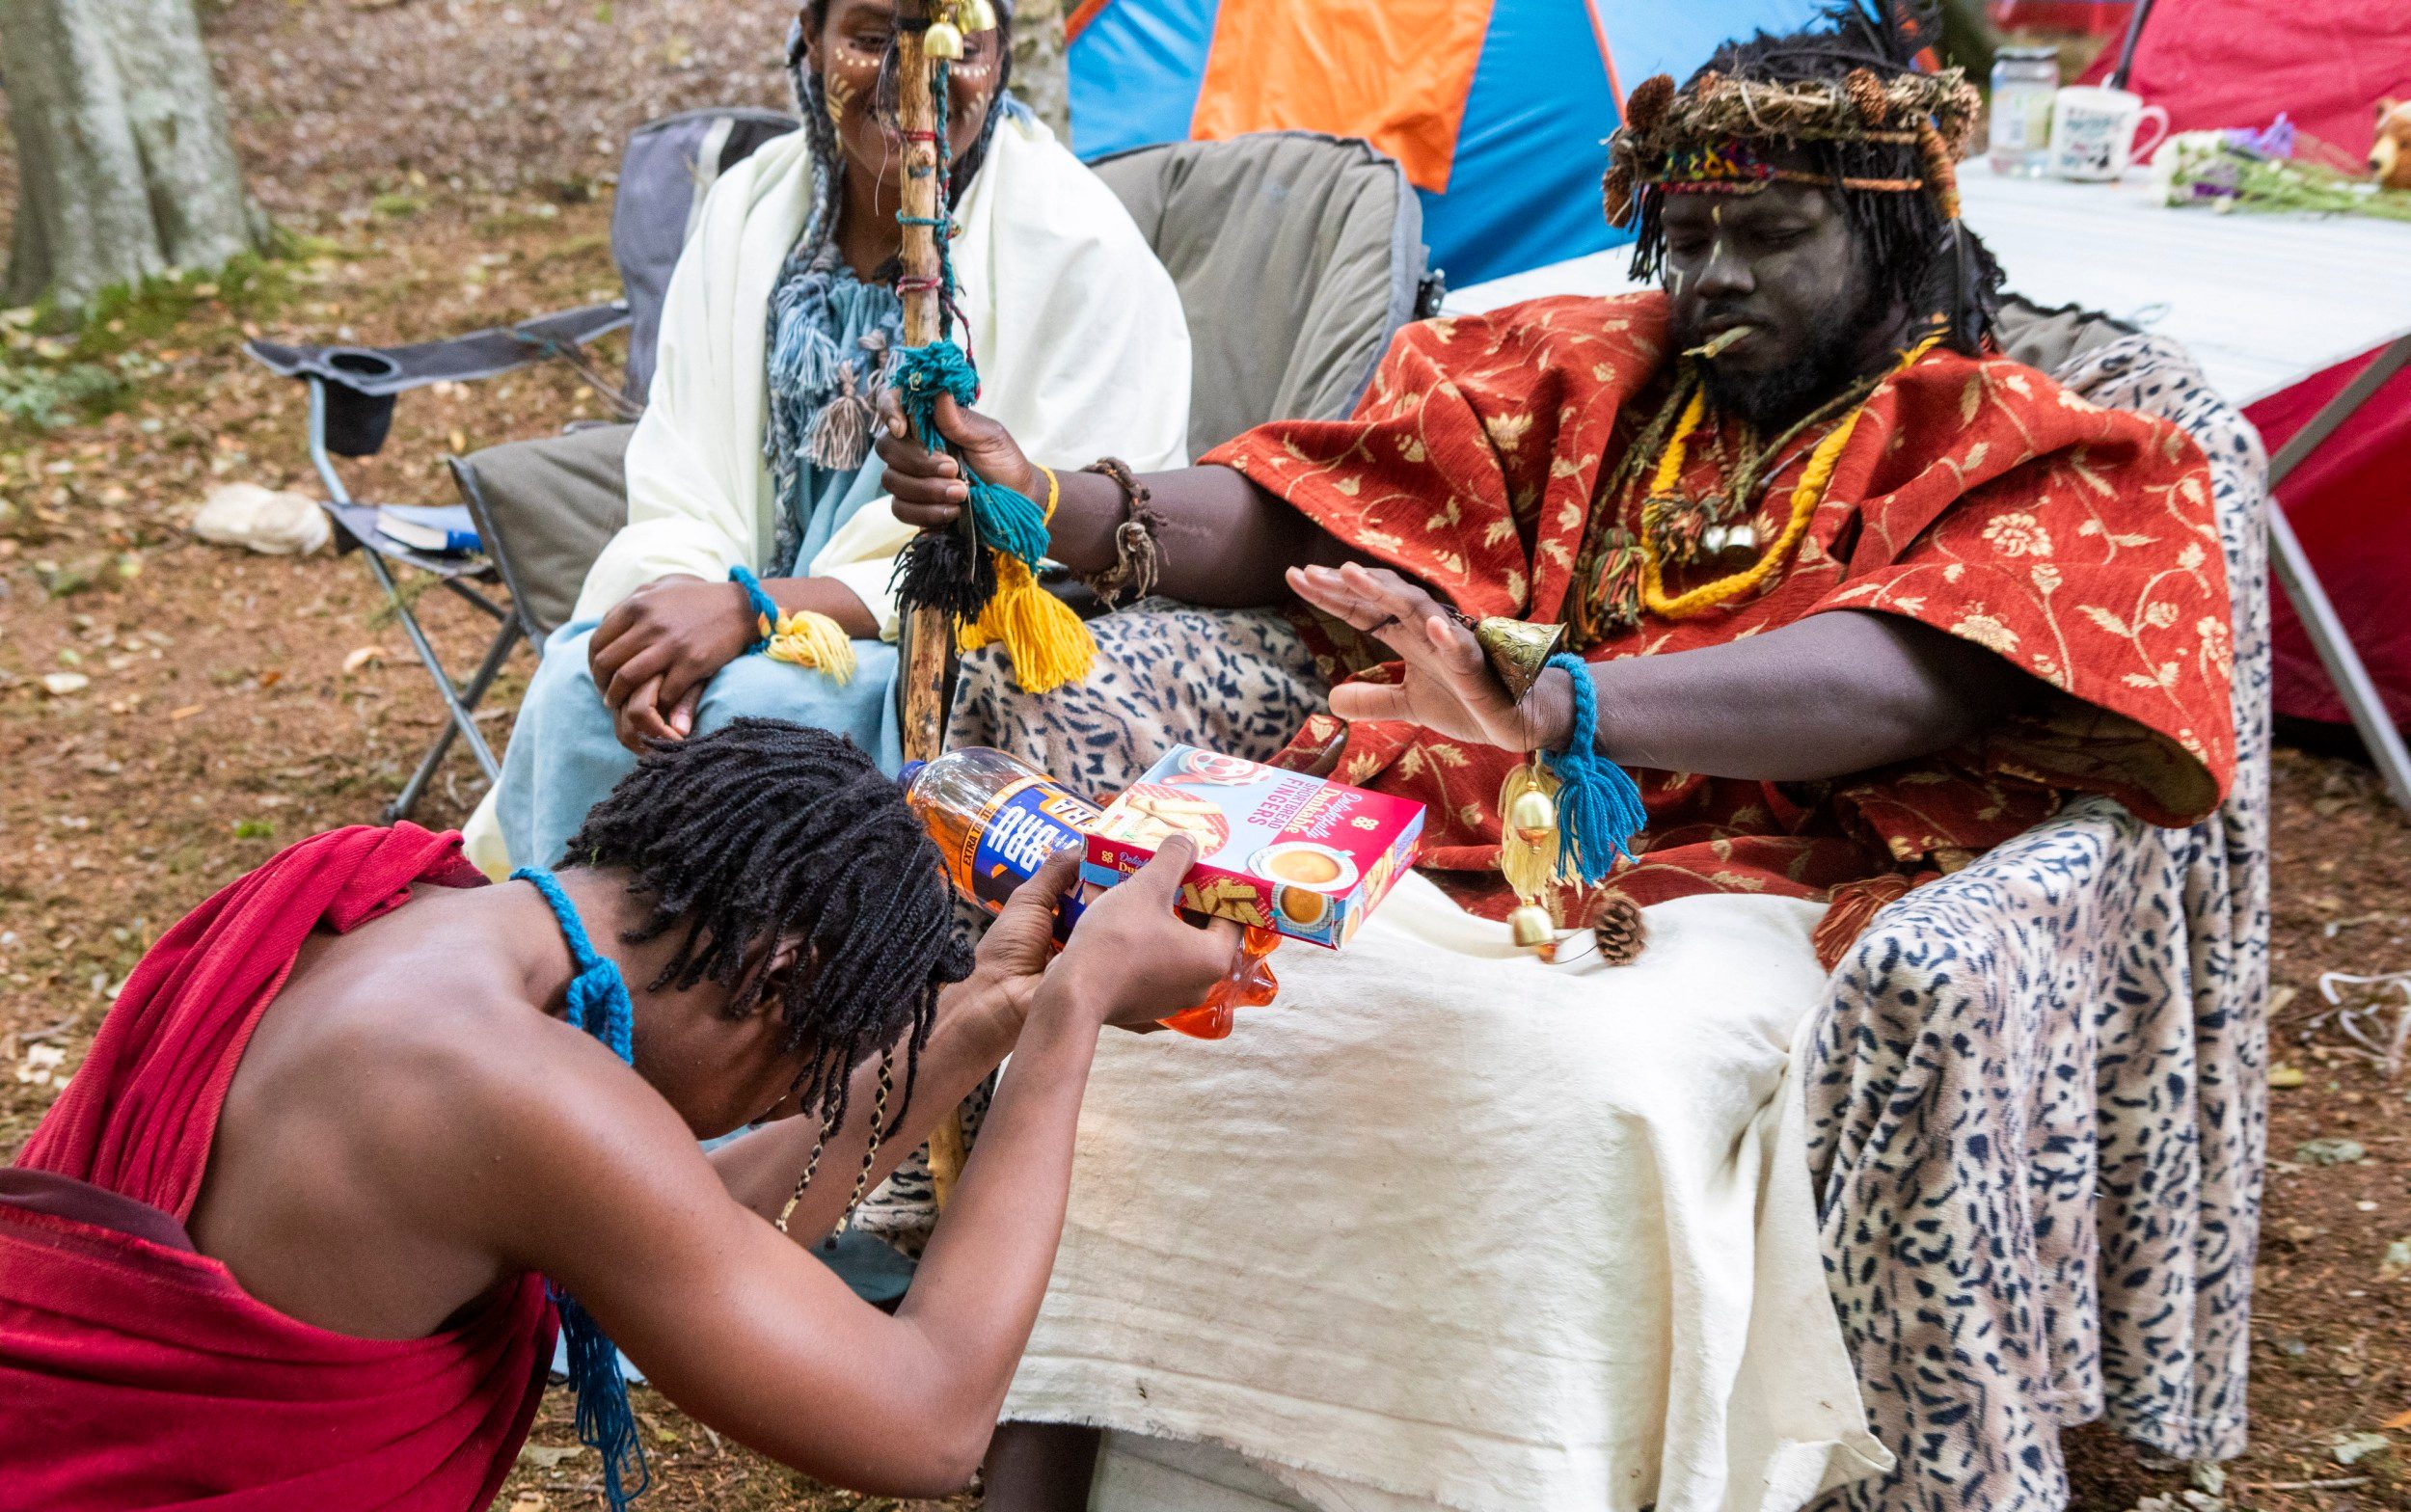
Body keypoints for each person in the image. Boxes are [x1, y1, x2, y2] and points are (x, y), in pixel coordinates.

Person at [875, 7, 2245, 1511]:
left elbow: (1903, 680)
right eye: (1689, 231)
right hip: (1445, 851)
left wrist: (1553, 705)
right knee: (1172, 1028)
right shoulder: (1587, 371)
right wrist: (1059, 500)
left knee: (1577, 1081)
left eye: (1770, 234)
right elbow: (1321, 501)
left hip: (1761, 892)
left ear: (1894, 230)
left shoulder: (2017, 438)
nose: (1714, 275)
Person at [0, 720, 1242, 1510]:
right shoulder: (510, 1086)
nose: (795, 1102)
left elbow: (689, 1225)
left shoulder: (392, 903)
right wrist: (1075, 1017)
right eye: (800, 1074)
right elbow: (925, 1423)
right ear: (777, 975)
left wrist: (982, 1018)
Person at [461, 0, 1191, 877]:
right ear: (810, 42)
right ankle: (569, 975)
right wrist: (689, 605)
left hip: (939, 643)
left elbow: (1059, 543)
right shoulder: (747, 207)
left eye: (954, 47)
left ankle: (757, 1000)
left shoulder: (1078, 245)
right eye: (873, 41)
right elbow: (684, 465)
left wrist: (759, 610)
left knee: (763, 711)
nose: (910, 80)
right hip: (734, 591)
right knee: (584, 685)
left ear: (998, 59)